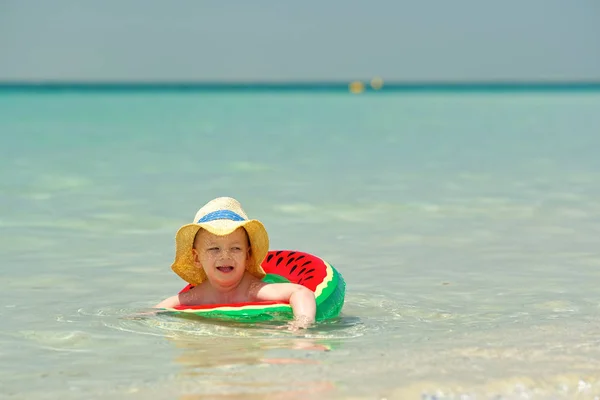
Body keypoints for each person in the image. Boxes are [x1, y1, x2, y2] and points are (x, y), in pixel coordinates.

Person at [155, 196, 316, 329]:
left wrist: (302, 322)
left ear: (248, 255)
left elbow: (301, 292)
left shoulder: (253, 290)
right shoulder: (198, 295)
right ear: (197, 258)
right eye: (214, 249)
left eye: (235, 248)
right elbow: (158, 310)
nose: (225, 256)